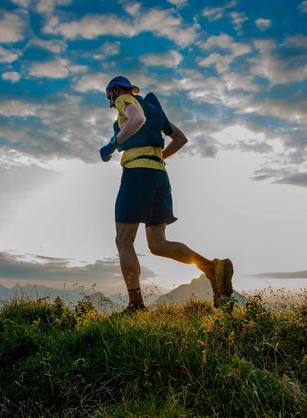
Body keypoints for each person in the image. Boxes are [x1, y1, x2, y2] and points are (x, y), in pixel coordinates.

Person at [100, 76, 234, 311]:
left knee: (123, 240)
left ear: (117, 89)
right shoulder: (155, 110)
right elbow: (181, 139)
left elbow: (137, 119)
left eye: (109, 95)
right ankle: (212, 269)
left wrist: (113, 144)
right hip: (159, 177)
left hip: (136, 175)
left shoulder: (125, 98)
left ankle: (136, 305)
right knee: (158, 244)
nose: (110, 102)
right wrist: (157, 157)